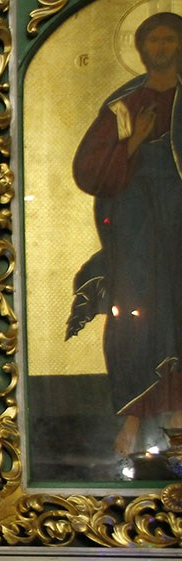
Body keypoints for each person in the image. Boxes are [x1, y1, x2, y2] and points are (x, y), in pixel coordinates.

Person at [68, 12, 182, 456]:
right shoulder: (124, 104)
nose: (161, 47)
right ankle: (133, 420)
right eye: (154, 40)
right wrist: (135, 141)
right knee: (136, 311)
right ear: (141, 47)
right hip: (136, 225)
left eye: (169, 39)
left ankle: (178, 414)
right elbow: (89, 170)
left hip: (178, 220)